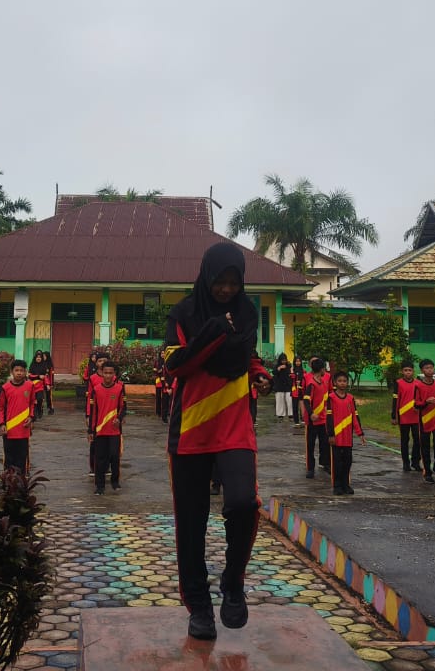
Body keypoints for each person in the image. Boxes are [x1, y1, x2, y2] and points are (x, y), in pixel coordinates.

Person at [163, 242, 273, 641]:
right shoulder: (183, 313)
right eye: (219, 282)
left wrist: (258, 368)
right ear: (206, 277)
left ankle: (232, 583)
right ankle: (198, 605)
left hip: (234, 426)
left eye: (233, 282)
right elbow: (177, 365)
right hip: (191, 429)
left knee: (244, 504)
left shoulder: (247, 312)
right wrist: (214, 331)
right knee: (190, 525)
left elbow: (243, 353)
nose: (226, 289)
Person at [88, 360, 126, 495]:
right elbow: (93, 412)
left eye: (111, 373)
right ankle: (100, 486)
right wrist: (91, 431)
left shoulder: (120, 388)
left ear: (114, 374)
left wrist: (119, 419)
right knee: (100, 458)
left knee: (115, 456)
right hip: (100, 431)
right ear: (101, 373)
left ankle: (115, 482)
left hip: (114, 431)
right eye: (106, 373)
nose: (108, 376)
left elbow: (123, 407)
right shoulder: (96, 390)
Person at [326, 372, 365, 495]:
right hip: (336, 437)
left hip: (348, 437)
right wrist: (331, 435)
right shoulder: (331, 398)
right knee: (336, 462)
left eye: (344, 381)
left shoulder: (350, 398)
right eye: (340, 381)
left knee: (348, 461)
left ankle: (346, 484)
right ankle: (337, 485)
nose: (342, 383)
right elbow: (329, 417)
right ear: (335, 383)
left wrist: (360, 433)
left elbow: (355, 416)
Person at [0, 359, 37, 473]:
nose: (19, 373)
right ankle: (8, 481)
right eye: (16, 370)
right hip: (9, 429)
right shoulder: (5, 388)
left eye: (22, 370)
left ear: (26, 372)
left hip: (24, 428)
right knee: (9, 457)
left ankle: (22, 480)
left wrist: (31, 417)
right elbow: (1, 408)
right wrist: (2, 424)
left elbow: (32, 403)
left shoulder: (30, 386)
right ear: (12, 372)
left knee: (22, 456)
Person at [416, 358, 435, 483]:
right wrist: (425, 402)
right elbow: (416, 404)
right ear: (422, 370)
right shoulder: (418, 385)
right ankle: (427, 471)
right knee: (425, 447)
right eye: (427, 368)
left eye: (431, 367)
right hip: (424, 420)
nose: (430, 370)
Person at [391, 359, 422, 473]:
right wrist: (394, 416)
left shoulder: (418, 383)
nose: (408, 372)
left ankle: (415, 462)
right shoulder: (398, 383)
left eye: (410, 370)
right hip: (403, 416)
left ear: (413, 371)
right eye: (405, 370)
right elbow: (395, 400)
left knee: (418, 440)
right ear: (402, 371)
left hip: (416, 416)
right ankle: (405, 463)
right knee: (405, 440)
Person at [303, 357, 331, 479]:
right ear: (321, 369)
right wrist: (311, 414)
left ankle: (325, 463)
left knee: (325, 444)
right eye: (324, 368)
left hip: (323, 420)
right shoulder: (311, 384)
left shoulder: (324, 382)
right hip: (313, 421)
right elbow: (306, 400)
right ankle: (310, 468)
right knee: (310, 445)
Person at [272, 353, 293, 422]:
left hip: (288, 386)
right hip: (279, 386)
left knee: (289, 400)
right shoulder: (277, 366)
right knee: (279, 400)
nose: (284, 362)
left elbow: (291, 374)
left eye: (285, 360)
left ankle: (291, 414)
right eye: (282, 360)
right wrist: (279, 368)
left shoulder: (289, 366)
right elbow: (274, 373)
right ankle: (280, 414)